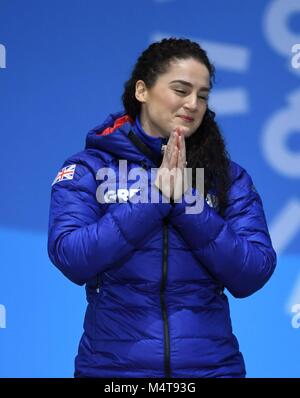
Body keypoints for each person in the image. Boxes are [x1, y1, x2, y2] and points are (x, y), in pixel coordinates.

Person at [47, 37, 277, 378]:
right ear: (142, 90)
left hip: (211, 371)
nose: (193, 104)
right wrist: (154, 197)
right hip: (113, 374)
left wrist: (184, 201)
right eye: (181, 89)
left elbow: (253, 271)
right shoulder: (88, 169)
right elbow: (71, 256)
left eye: (202, 95)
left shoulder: (227, 176)